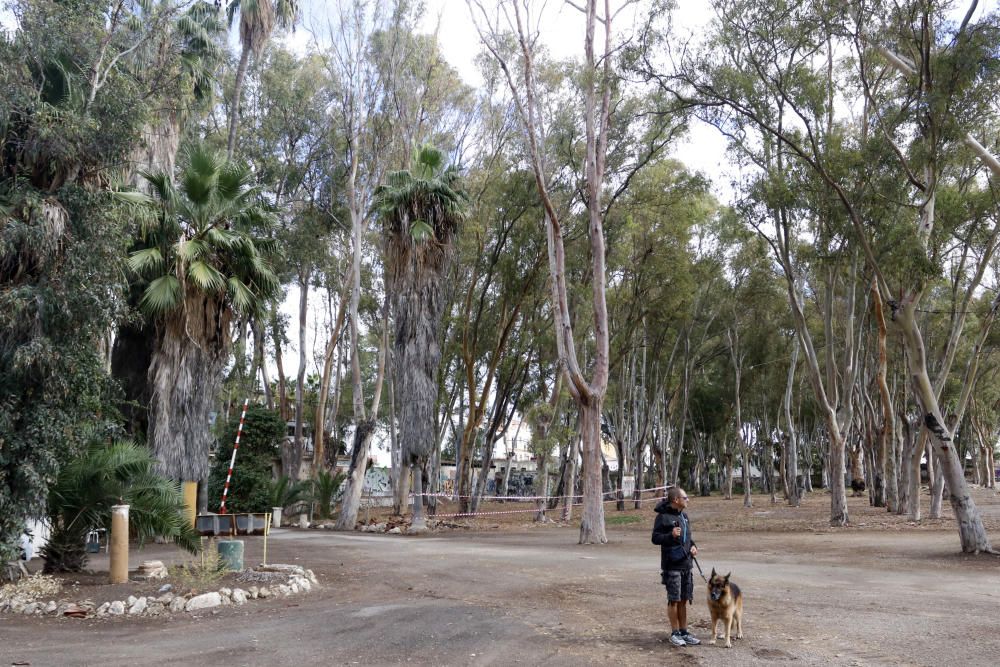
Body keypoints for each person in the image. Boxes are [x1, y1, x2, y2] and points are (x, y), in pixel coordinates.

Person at [652, 486, 700, 647]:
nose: (688, 500)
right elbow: (655, 538)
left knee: (684, 599)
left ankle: (684, 632)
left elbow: (688, 538)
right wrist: (670, 535)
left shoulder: (684, 516)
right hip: (672, 565)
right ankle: (675, 633)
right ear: (676, 500)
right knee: (674, 599)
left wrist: (693, 546)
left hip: (687, 564)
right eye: (685, 498)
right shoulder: (662, 517)